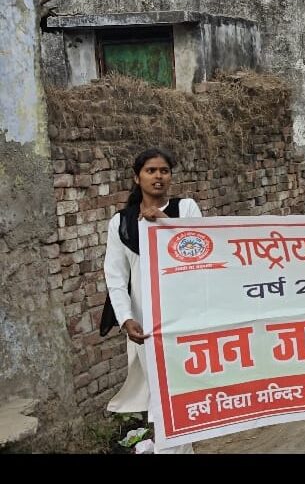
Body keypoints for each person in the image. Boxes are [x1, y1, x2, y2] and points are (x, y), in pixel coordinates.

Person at [102, 147, 202, 454]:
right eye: (151, 171)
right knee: (161, 393)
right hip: (145, 322)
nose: (158, 176)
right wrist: (126, 318)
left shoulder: (185, 209)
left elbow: (199, 250)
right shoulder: (121, 223)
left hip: (184, 316)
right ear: (137, 177)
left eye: (164, 171)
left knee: (182, 390)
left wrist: (164, 222)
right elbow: (115, 276)